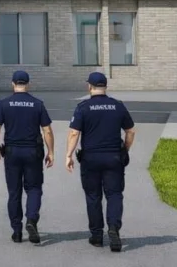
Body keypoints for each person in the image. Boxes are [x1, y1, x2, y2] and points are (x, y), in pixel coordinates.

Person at [65, 72, 136, 252]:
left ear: (89, 86)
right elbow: (130, 131)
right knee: (114, 194)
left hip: (90, 158)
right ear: (105, 87)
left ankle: (97, 236)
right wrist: (125, 150)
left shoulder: (83, 107)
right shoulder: (118, 106)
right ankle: (113, 228)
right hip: (114, 157)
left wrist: (68, 155)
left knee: (93, 196)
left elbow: (74, 133)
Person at [0, 70, 55, 244]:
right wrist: (51, 152)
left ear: (13, 84)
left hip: (12, 152)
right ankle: (31, 219)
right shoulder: (37, 104)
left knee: (14, 192)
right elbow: (47, 130)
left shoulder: (4, 103)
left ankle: (17, 231)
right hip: (33, 152)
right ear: (28, 84)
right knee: (34, 188)